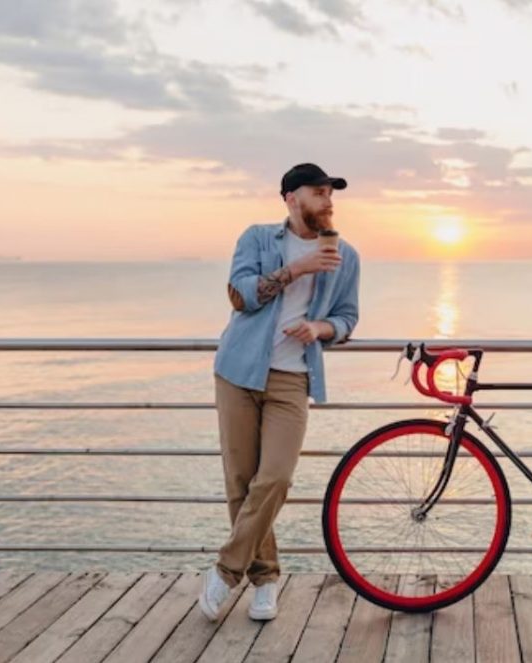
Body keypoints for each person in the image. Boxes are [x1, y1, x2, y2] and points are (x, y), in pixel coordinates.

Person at [199, 163, 360, 621]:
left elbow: (348, 318)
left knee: (275, 478)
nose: (328, 201)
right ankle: (265, 581)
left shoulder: (345, 253)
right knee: (240, 482)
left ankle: (226, 571)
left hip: (293, 379)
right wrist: (296, 269)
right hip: (238, 372)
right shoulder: (256, 238)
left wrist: (320, 326)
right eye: (319, 192)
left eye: (331, 193)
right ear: (291, 197)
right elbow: (239, 296)